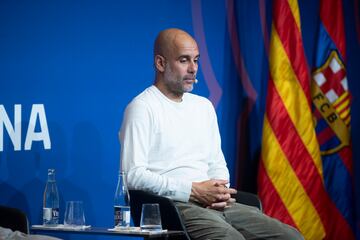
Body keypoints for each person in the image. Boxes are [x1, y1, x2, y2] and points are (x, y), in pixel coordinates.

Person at [119, 28, 303, 240]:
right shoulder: (142, 107)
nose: (193, 69)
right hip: (175, 206)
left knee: (291, 237)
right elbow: (132, 176)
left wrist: (219, 188)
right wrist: (192, 190)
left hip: (215, 203)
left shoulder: (203, 107)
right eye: (184, 60)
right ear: (161, 63)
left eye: (196, 60)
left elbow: (216, 161)